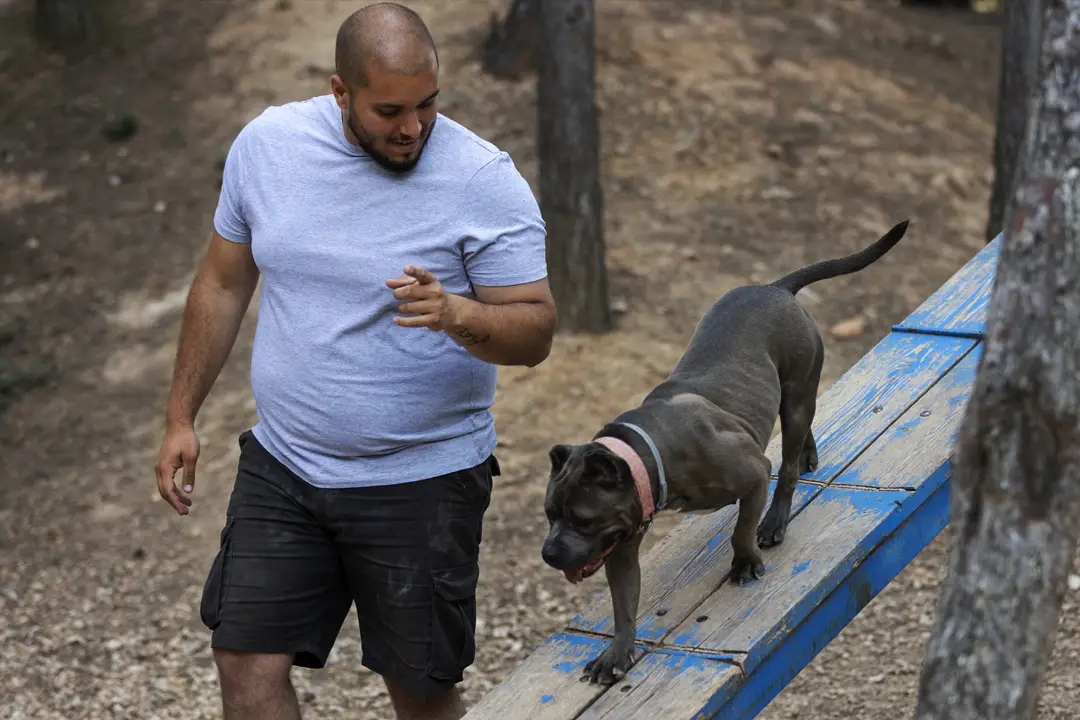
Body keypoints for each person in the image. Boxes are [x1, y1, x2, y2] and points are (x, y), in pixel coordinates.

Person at [153, 4, 555, 719]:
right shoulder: (268, 147)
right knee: (243, 659)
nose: (413, 127)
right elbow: (223, 281)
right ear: (341, 91)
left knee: (421, 691)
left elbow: (535, 332)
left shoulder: (482, 179)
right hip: (286, 464)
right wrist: (181, 414)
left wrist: (459, 314)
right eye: (390, 110)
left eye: (429, 104)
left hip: (421, 477)